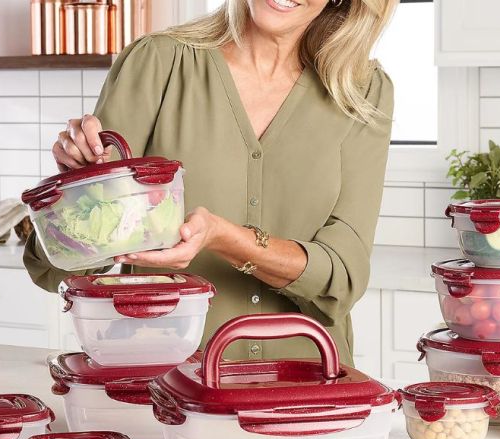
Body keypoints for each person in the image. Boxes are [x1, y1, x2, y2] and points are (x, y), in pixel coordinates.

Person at [24, 0, 397, 364]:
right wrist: (75, 185)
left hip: (307, 386)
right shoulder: (159, 63)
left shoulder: (362, 90)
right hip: (164, 388)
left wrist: (227, 239)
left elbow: (342, 280)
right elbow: (61, 267)